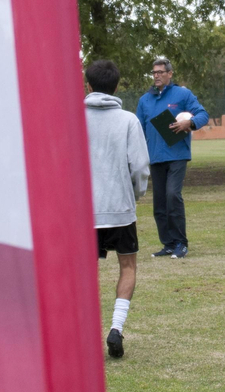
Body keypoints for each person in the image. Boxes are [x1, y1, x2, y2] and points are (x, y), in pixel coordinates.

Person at [85, 60, 150, 358]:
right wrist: (135, 195)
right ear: (116, 86)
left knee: (82, 273)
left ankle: (80, 332)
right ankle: (116, 328)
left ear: (88, 85)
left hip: (81, 212)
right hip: (120, 208)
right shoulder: (128, 120)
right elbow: (139, 167)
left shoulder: (70, 118)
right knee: (128, 266)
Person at [135, 56, 208, 259]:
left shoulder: (182, 94)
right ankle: (168, 243)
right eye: (154, 72)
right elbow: (138, 129)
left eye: (160, 72)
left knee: (172, 195)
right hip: (155, 157)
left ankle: (181, 243)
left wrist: (190, 123)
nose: (157, 76)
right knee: (159, 202)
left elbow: (203, 114)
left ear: (170, 74)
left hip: (177, 155)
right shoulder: (145, 100)